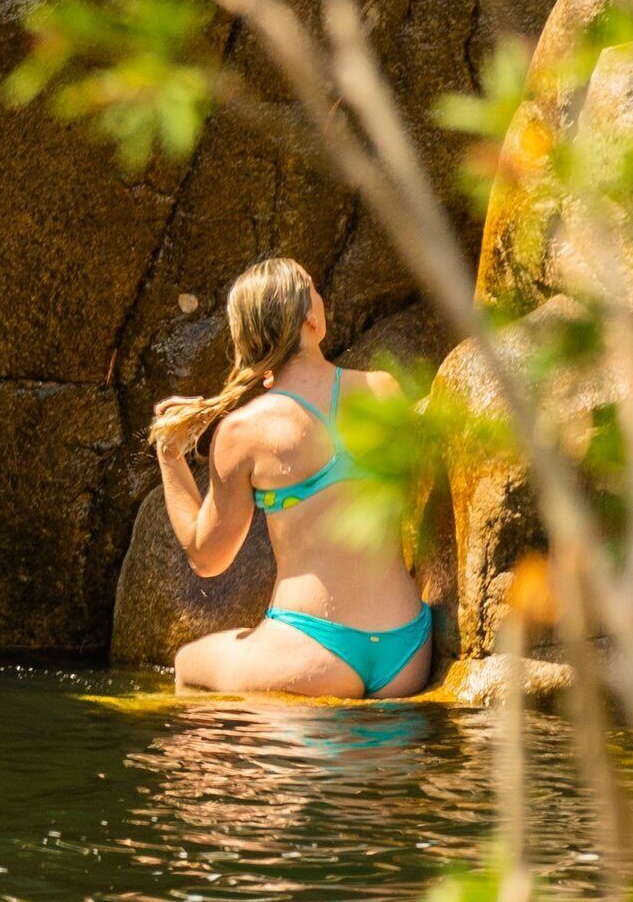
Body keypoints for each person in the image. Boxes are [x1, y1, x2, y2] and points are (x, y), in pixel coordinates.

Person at [151, 257, 435, 698]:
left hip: (311, 654)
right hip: (407, 648)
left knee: (188, 663)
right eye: (314, 290)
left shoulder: (243, 432)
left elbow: (208, 559)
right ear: (309, 317)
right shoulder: (384, 390)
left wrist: (170, 456)